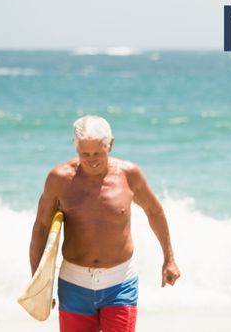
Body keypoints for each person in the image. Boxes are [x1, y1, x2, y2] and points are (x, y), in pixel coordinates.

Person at [29, 115, 180, 332]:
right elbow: (41, 227)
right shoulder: (59, 179)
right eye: (84, 154)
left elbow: (154, 211)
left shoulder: (129, 175)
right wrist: (39, 284)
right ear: (75, 147)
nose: (91, 160)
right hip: (74, 284)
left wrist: (169, 258)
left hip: (120, 283)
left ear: (111, 144)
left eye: (98, 153)